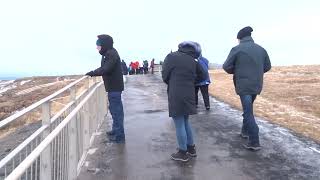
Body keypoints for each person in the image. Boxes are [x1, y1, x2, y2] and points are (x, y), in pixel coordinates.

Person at [223, 26, 271, 151]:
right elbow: (267, 66)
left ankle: (254, 141)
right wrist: (256, 72)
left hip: (244, 85)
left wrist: (237, 70)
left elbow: (226, 66)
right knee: (248, 109)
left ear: (240, 38)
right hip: (256, 85)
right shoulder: (261, 49)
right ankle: (244, 132)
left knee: (248, 112)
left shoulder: (237, 49)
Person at [162, 41, 206, 162]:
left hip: (176, 93)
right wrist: (191, 82)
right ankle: (191, 148)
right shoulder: (193, 60)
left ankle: (182, 152)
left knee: (179, 123)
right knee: (185, 121)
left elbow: (164, 75)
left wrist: (173, 82)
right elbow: (203, 76)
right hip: (189, 93)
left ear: (181, 47)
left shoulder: (172, 56)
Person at [85, 34, 125, 143]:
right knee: (114, 110)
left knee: (116, 112)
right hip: (112, 87)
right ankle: (115, 130)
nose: (97, 47)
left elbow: (105, 69)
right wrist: (93, 72)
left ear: (104, 44)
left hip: (115, 88)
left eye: (98, 45)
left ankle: (119, 136)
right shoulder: (108, 53)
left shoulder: (111, 54)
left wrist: (92, 73)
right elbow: (104, 68)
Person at [194, 44, 211, 110]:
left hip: (197, 80)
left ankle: (195, 104)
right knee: (205, 93)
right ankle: (207, 106)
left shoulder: (194, 60)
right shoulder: (205, 60)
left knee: (195, 93)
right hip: (205, 80)